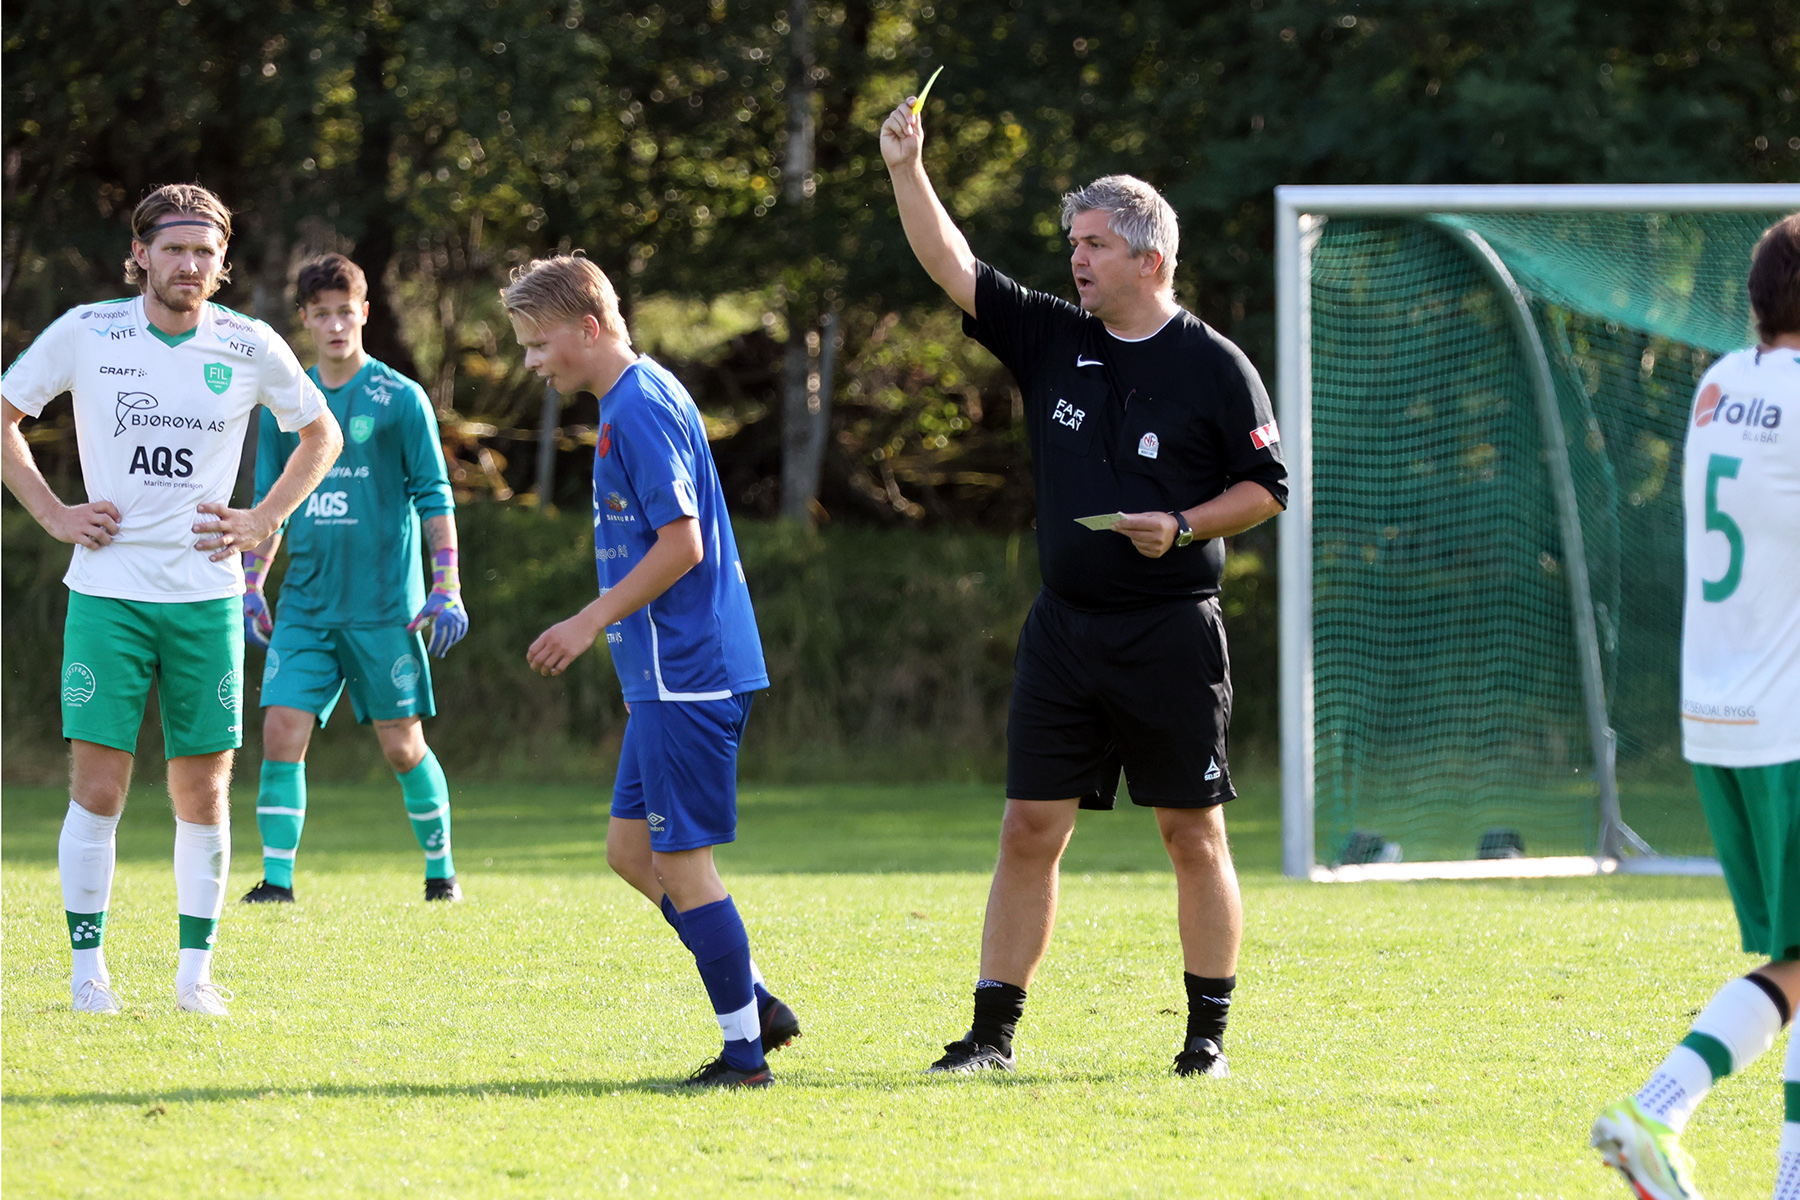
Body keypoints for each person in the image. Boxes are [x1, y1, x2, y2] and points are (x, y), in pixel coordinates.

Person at [880, 102, 1287, 1077]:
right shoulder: (1055, 340)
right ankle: (991, 1036)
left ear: (1151, 259)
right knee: (1029, 828)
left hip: (1170, 632)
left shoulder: (1214, 367)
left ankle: (1205, 1040)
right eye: (1074, 244)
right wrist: (907, 166)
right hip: (1064, 631)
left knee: (1191, 832)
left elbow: (1266, 491)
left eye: (1097, 244)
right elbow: (952, 265)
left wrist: (1182, 526)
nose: (1079, 260)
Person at [0, 184, 342, 1016]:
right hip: (108, 595)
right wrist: (54, 514)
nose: (189, 264)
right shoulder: (89, 332)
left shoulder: (250, 344)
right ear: (142, 255)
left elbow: (320, 433)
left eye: (204, 252)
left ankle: (195, 979)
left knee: (204, 791)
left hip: (206, 601)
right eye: (174, 249)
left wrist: (265, 518)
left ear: (222, 265)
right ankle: (89, 977)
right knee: (101, 788)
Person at [504, 254, 799, 1088]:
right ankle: (757, 1003)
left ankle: (745, 1056)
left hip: (688, 673)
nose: (531, 362)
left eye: (537, 343)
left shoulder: (636, 407)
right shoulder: (634, 396)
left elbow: (683, 543)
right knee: (631, 853)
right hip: (669, 677)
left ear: (588, 329)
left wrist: (589, 618)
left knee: (683, 865)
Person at [1592, 213, 1800, 1200]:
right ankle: (1657, 1105)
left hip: (1723, 711)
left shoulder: (1720, 385)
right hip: (1791, 719)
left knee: (1799, 957)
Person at [237, 253, 468, 905]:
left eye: (347, 311)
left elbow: (434, 496)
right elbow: (268, 504)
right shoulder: (288, 405)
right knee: (282, 731)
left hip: (384, 609)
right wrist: (252, 584)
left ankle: (441, 872)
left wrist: (446, 585)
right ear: (305, 320)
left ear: (364, 314)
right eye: (323, 314)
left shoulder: (400, 399)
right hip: (306, 607)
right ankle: (276, 883)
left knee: (402, 747)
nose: (336, 324)